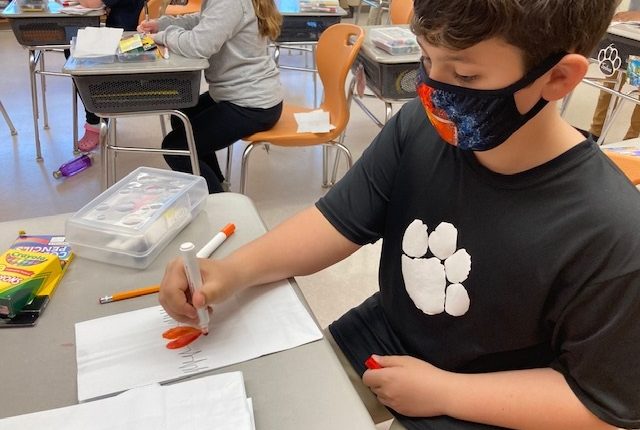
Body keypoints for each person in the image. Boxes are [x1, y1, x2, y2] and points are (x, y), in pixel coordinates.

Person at [159, 0, 640, 429]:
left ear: (558, 78)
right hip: (388, 335)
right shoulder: (419, 128)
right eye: (427, 61)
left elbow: (601, 405)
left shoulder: (613, 228)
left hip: (501, 394)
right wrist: (233, 270)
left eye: (466, 76)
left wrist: (448, 392)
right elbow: (335, 222)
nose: (434, 90)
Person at [137, 0, 284, 193]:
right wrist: (162, 24)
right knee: (183, 117)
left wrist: (162, 36)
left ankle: (220, 203)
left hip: (251, 104)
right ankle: (218, 184)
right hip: (245, 96)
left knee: (178, 149)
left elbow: (199, 45)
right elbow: (204, 21)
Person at [68, 0, 146, 151]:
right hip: (129, 33)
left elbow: (92, 4)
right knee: (74, 48)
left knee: (75, 56)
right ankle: (98, 115)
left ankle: (95, 122)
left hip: (126, 43)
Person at [588, 1, 640, 141]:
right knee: (610, 81)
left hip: (636, 42)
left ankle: (630, 141)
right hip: (625, 35)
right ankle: (596, 133)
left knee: (637, 88)